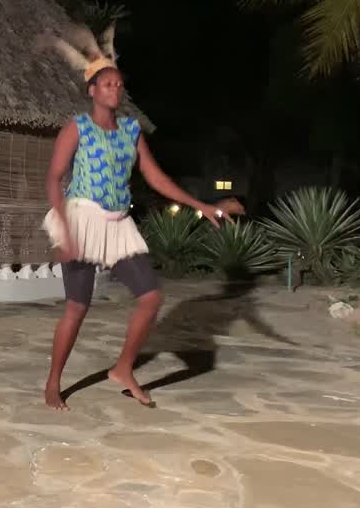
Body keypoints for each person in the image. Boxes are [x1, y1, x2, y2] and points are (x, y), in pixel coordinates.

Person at [41, 23, 243, 411]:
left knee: (151, 297)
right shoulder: (78, 127)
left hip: (118, 222)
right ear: (92, 90)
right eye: (107, 85)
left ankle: (123, 367)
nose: (115, 90)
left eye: (119, 85)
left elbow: (156, 178)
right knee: (77, 307)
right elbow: (53, 177)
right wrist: (65, 232)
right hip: (82, 216)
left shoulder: (131, 131)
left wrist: (203, 206)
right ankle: (53, 383)